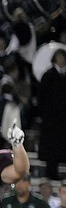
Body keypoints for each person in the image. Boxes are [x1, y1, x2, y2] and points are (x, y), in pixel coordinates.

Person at [38, 48, 66, 180]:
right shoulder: (49, 75)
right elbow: (42, 96)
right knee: (51, 146)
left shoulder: (63, 75)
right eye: (59, 57)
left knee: (60, 145)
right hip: (51, 118)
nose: (62, 60)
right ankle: (51, 172)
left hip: (62, 119)